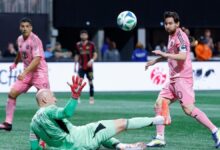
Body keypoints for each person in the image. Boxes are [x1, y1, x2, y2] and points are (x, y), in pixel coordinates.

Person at [145, 11, 220, 148]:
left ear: (177, 23)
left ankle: (216, 131)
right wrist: (155, 61)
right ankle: (160, 138)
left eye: (170, 23)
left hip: (182, 79)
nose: (167, 26)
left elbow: (183, 56)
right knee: (159, 104)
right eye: (166, 23)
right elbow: (170, 54)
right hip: (173, 79)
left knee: (189, 109)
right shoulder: (171, 36)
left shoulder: (180, 36)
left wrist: (164, 54)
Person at [29, 75, 166, 150]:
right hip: (83, 137)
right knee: (122, 123)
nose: (55, 99)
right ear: (45, 99)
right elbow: (66, 113)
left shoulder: (33, 124)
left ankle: (123, 146)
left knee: (102, 133)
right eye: (53, 96)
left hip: (71, 146)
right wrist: (75, 97)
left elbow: (34, 149)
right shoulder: (48, 110)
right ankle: (159, 120)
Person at [0, 17, 50, 131]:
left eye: (27, 26)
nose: (25, 28)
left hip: (39, 72)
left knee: (45, 100)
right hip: (27, 73)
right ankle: (8, 123)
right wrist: (15, 64)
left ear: (31, 28)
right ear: (19, 27)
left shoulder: (35, 40)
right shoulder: (19, 39)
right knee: (12, 93)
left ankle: (49, 125)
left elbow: (37, 59)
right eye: (22, 26)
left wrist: (24, 72)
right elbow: (20, 52)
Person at [74, 30, 97, 104]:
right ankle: (78, 97)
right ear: (80, 36)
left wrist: (92, 60)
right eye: (82, 35)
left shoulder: (91, 44)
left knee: (90, 82)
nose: (83, 36)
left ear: (87, 36)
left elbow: (95, 54)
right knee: (79, 83)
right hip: (81, 66)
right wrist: (75, 65)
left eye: (85, 35)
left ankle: (91, 98)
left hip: (89, 67)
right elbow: (77, 55)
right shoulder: (78, 45)